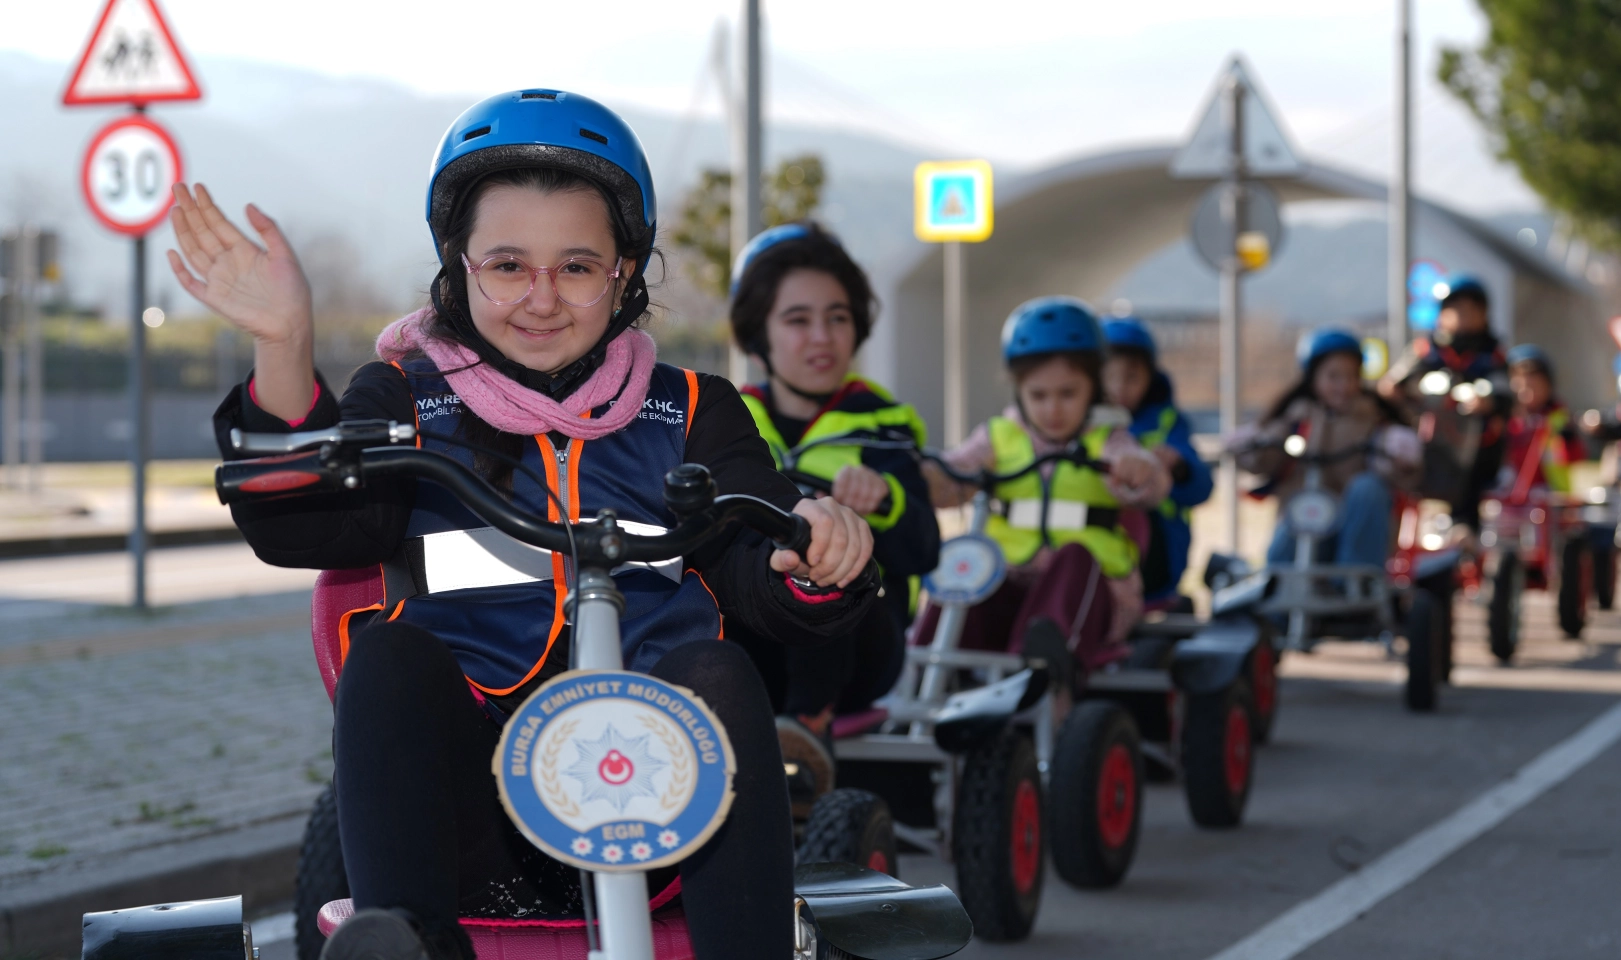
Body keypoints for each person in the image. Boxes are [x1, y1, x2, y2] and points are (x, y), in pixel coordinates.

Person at [167, 90, 879, 960]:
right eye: (508, 265)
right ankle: (406, 944)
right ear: (459, 264)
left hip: (661, 803)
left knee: (718, 665)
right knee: (387, 653)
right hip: (469, 824)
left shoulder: (692, 411)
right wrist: (283, 343)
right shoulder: (403, 401)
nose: (541, 299)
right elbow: (307, 526)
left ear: (623, 272)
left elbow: (762, 555)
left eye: (576, 267)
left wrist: (817, 553)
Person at [726, 222, 939, 810]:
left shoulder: (885, 426)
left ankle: (804, 732)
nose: (821, 337)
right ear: (760, 333)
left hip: (862, 644)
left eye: (838, 317)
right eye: (798, 319)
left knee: (821, 563)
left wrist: (887, 501)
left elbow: (926, 550)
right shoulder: (722, 423)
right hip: (751, 639)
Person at [922, 297, 1171, 667]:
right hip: (1009, 583)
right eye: (1038, 396)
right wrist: (924, 474)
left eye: (1068, 394)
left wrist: (1140, 471)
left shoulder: (1108, 439)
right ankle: (926, 669)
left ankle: (1045, 678)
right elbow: (953, 473)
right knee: (967, 570)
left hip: (1091, 596)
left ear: (1093, 389)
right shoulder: (999, 437)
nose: (1053, 410)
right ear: (1018, 391)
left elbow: (1149, 482)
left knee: (1074, 558)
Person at [1238, 328, 1422, 568]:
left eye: (1351, 376)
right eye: (1333, 376)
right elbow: (1260, 459)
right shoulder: (1295, 417)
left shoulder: (1375, 420)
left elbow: (1406, 473)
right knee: (1283, 548)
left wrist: (1401, 460)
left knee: (1367, 488)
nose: (1343, 385)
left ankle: (1356, 583)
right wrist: (1250, 444)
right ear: (1312, 378)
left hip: (1354, 530)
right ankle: (1277, 587)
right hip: (1304, 523)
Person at [1379, 274, 1509, 529]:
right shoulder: (1425, 350)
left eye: (1471, 310)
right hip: (1427, 446)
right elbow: (1391, 386)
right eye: (1456, 310)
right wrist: (1410, 396)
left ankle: (1467, 546)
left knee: (1470, 502)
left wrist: (1487, 401)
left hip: (1477, 453)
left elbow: (1504, 395)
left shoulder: (1492, 353)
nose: (1463, 316)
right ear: (1441, 315)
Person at [1101, 316, 1213, 607]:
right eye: (1108, 377)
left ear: (1150, 378)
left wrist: (1178, 466)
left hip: (1157, 549)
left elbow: (1201, 488)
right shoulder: (1078, 425)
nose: (1119, 388)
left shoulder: (1168, 423)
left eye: (1131, 377)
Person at [1501, 344, 1584, 495]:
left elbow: (1576, 458)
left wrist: (1568, 437)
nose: (1527, 391)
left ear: (1548, 385)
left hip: (1550, 498)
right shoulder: (1505, 419)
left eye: (1534, 385)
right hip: (1512, 499)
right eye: (1521, 385)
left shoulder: (1559, 417)